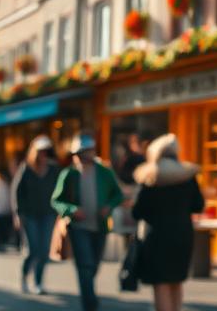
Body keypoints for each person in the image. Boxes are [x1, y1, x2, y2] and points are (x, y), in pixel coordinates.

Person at [51, 133, 124, 311]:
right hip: (78, 227)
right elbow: (56, 200)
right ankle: (89, 303)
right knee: (85, 264)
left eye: (87, 152)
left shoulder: (104, 172)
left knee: (94, 265)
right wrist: (72, 210)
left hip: (100, 226)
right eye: (80, 153)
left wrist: (109, 206)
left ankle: (89, 295)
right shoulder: (69, 174)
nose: (84, 157)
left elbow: (118, 195)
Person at [131, 134, 203, 311]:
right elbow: (198, 205)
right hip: (182, 235)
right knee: (176, 281)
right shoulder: (187, 176)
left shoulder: (150, 177)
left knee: (161, 283)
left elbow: (137, 211)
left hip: (156, 238)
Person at [12, 136, 59, 295]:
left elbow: (60, 190)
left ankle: (38, 282)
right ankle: (25, 277)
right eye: (40, 151)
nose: (43, 155)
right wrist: (18, 214)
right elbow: (17, 192)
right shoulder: (26, 169)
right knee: (33, 250)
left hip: (48, 214)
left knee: (44, 250)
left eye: (46, 151)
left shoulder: (53, 169)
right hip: (29, 215)